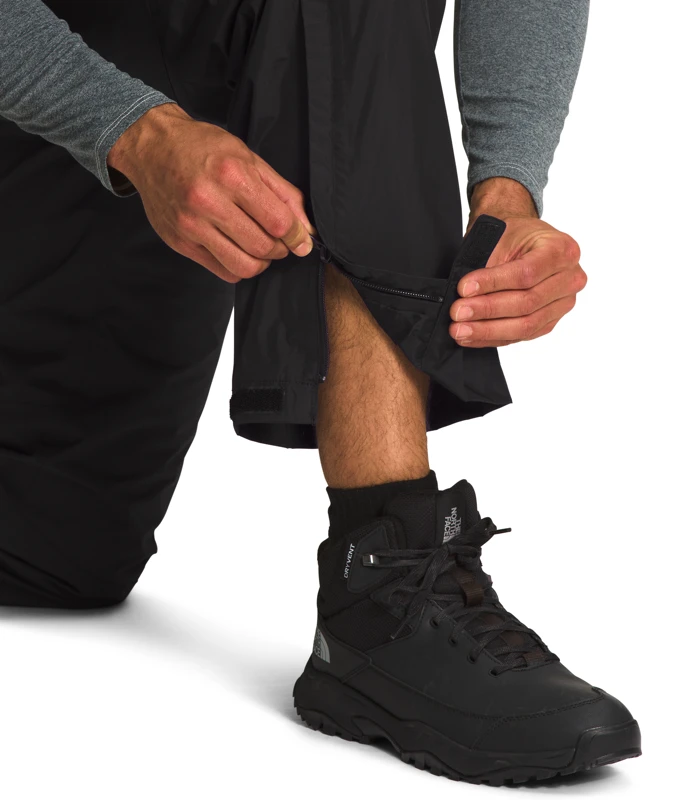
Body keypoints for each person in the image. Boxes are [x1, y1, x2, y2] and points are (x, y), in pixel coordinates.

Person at [0, 0, 640, 785]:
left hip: (136, 141)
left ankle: (382, 581)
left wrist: (508, 190)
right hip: (62, 114)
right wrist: (135, 134)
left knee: (61, 549)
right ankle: (385, 576)